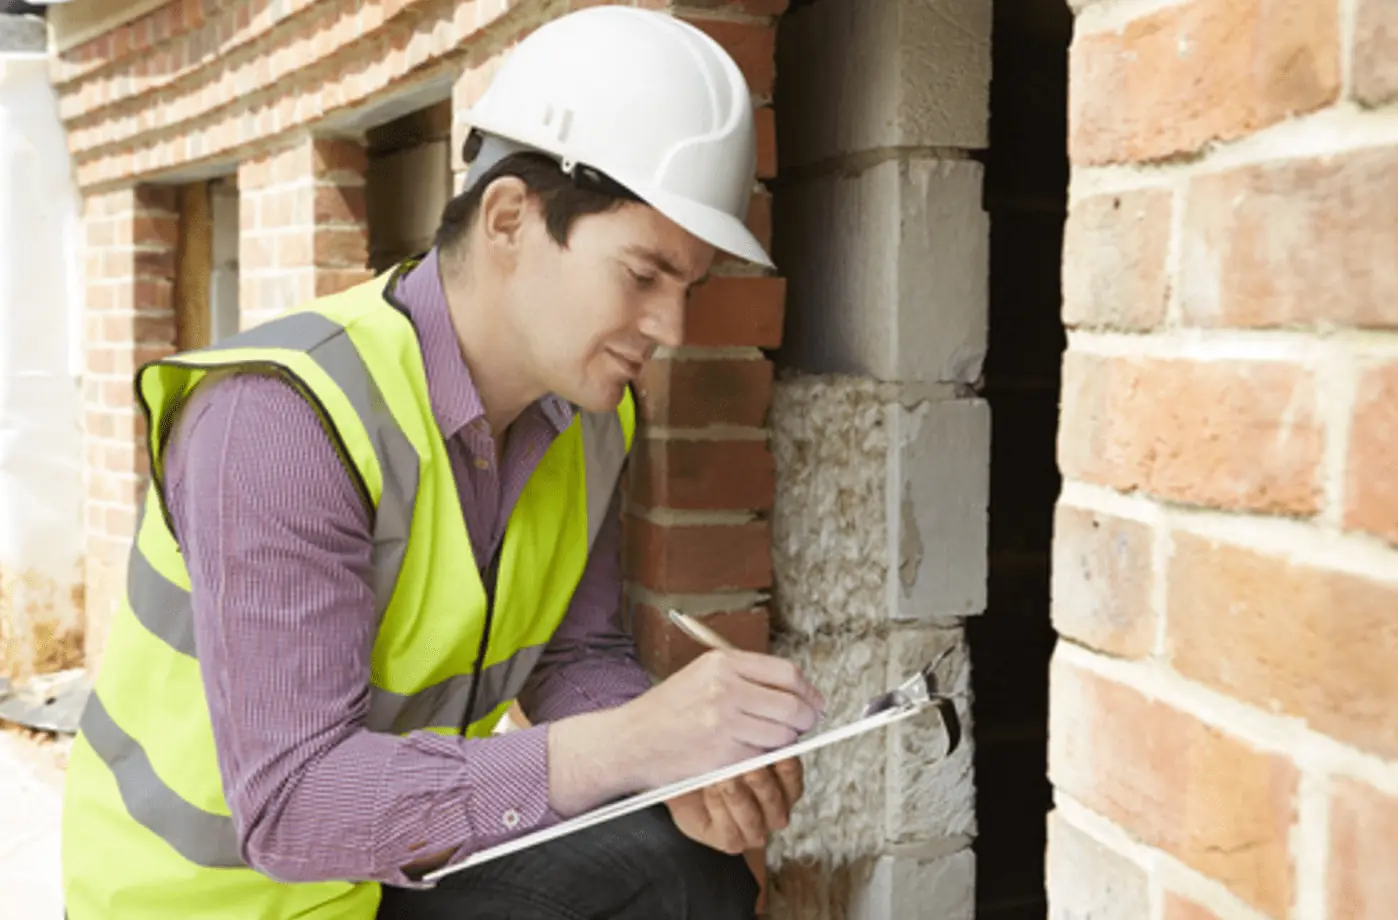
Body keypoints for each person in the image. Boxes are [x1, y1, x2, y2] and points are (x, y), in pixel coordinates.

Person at [59, 7, 825, 919]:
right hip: (206, 903)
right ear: (508, 218)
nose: (673, 329)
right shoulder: (279, 421)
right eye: (642, 274)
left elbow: (573, 653)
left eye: (687, 287)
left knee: (683, 867)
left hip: (386, 874)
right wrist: (623, 750)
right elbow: (295, 807)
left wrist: (675, 769)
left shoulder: (588, 421)